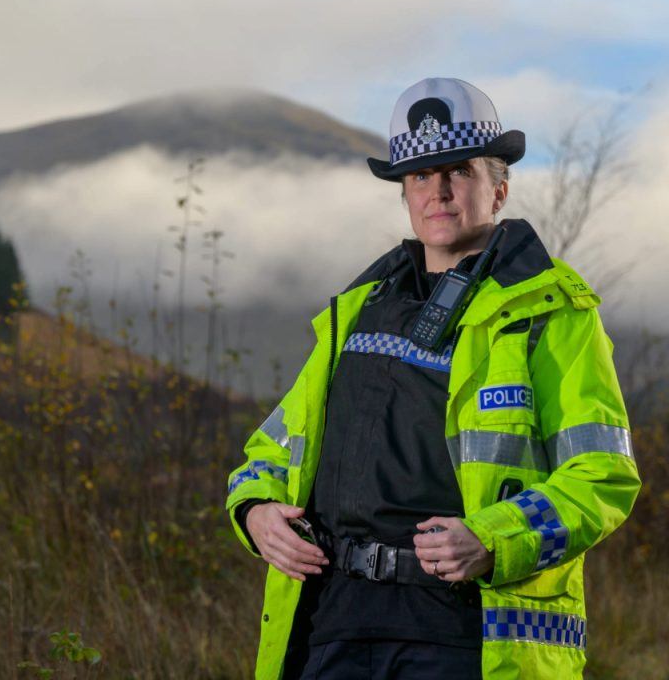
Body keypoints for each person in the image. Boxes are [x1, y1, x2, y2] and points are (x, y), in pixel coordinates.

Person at [225, 78, 640, 679]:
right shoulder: (356, 310)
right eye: (420, 176)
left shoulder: (551, 314)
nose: (438, 192)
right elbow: (273, 449)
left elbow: (604, 478)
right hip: (331, 621)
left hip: (460, 632)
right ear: (404, 193)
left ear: (498, 189)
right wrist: (256, 511)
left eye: (458, 172)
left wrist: (492, 539)